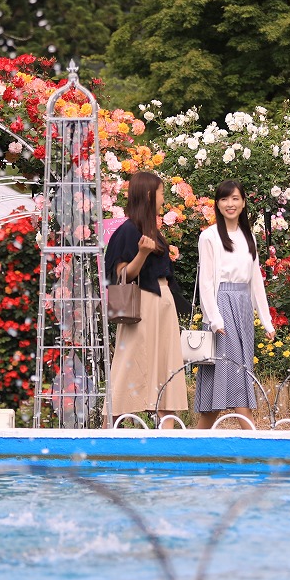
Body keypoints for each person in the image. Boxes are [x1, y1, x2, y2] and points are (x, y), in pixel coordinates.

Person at [104, 171, 188, 427]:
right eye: (162, 192)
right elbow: (122, 275)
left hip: (161, 305)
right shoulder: (128, 230)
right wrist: (141, 253)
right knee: (129, 363)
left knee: (166, 366)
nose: (164, 198)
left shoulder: (151, 229)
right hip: (142, 307)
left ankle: (168, 435)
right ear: (151, 195)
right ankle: (109, 430)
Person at [194, 180, 275, 429]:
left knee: (234, 374)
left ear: (243, 203)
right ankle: (253, 441)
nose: (230, 204)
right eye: (225, 199)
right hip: (222, 306)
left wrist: (266, 320)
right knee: (232, 374)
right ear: (217, 204)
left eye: (235, 198)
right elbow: (206, 282)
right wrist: (215, 319)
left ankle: (194, 443)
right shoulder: (209, 237)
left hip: (242, 307)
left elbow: (256, 281)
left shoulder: (248, 236)